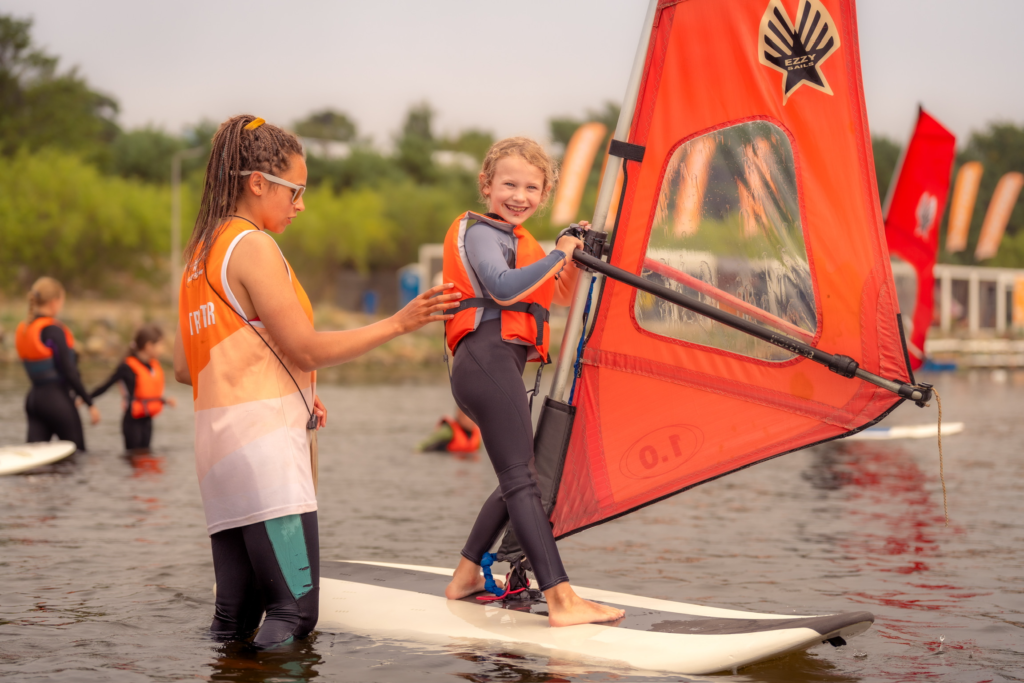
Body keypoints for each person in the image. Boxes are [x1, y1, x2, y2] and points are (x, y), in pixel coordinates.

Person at [172, 114, 459, 649]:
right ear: (258, 183)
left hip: (218, 451)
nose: (301, 204)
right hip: (265, 449)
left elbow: (187, 368)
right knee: (294, 614)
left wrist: (296, 383)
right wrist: (401, 322)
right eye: (295, 191)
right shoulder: (253, 246)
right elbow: (302, 345)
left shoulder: (198, 254)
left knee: (234, 619)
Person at [441, 137, 625, 626]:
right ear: (487, 185)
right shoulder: (480, 232)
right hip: (485, 360)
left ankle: (466, 575)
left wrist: (576, 252)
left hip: (498, 365)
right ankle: (561, 598)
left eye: (531, 187)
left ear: (544, 195)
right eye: (508, 184)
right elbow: (501, 289)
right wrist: (560, 251)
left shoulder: (524, 243)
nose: (519, 195)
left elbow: (560, 294)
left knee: (514, 477)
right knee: (524, 480)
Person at [15, 277, 100, 451]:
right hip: (56, 401)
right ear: (55, 302)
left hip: (34, 401)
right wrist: (89, 403)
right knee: (77, 457)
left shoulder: (25, 328)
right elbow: (69, 371)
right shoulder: (53, 330)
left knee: (35, 463)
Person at [90, 323, 177, 452]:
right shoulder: (126, 367)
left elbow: (147, 395)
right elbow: (105, 386)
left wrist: (164, 401)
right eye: (161, 345)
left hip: (147, 420)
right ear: (148, 346)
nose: (163, 349)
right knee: (133, 459)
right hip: (132, 422)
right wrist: (87, 398)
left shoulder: (152, 366)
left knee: (146, 457)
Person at [417, 407, 481, 454]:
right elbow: (422, 445)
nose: (472, 420)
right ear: (459, 414)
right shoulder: (448, 431)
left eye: (474, 416)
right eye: (469, 416)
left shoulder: (476, 434)